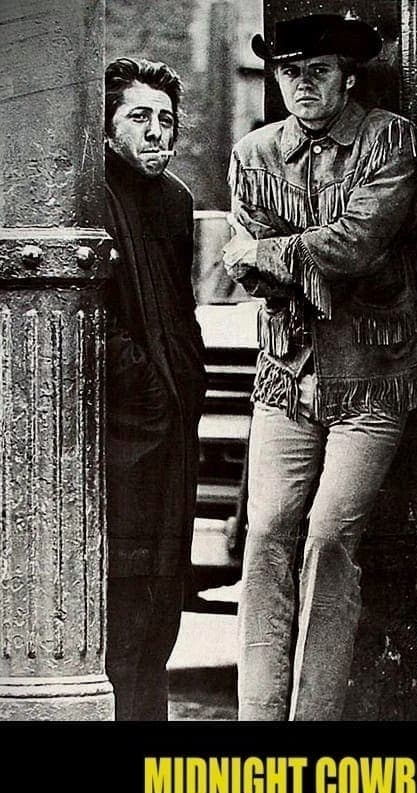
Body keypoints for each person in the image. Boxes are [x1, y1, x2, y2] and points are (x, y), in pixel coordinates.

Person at [223, 14, 417, 721]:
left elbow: (358, 244)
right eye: (289, 73)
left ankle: (311, 718)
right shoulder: (254, 153)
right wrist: (281, 259)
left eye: (318, 71)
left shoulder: (389, 139)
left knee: (329, 538)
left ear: (347, 76)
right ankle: (259, 716)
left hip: (374, 372)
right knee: (265, 537)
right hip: (287, 374)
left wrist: (275, 254)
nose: (302, 85)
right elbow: (249, 263)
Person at [104, 57, 207, 720]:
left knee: (161, 599)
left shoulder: (175, 201)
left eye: (165, 119)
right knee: (121, 592)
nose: (155, 132)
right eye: (139, 116)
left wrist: (183, 386)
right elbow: (97, 319)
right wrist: (145, 387)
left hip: (170, 428)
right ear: (108, 126)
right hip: (118, 429)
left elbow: (180, 308)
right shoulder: (87, 195)